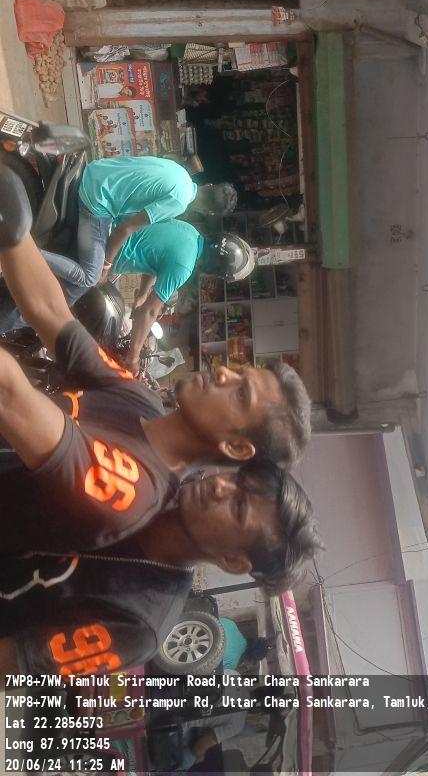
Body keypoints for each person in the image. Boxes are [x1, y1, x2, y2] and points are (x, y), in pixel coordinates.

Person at [0, 168, 312, 556]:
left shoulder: (135, 488)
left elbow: (10, 396)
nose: (222, 373)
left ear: (235, 446)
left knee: (85, 278)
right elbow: (50, 310)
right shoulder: (140, 401)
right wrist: (13, 231)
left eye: (240, 393)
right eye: (238, 372)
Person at [0, 461, 322, 678]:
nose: (220, 485)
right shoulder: (149, 470)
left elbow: (17, 660)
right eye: (237, 479)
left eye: (238, 506)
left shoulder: (140, 625)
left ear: (233, 561)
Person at [39, 154, 238, 305]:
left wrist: (143, 293)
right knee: (90, 277)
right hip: (97, 202)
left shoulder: (180, 172)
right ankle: (31, 253)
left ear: (209, 185)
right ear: (210, 213)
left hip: (95, 171)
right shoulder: (180, 203)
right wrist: (106, 266)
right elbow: (125, 229)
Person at [112, 221, 254, 374]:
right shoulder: (184, 267)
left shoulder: (190, 231)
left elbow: (157, 264)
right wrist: (133, 358)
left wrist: (142, 295)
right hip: (107, 254)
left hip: (112, 231)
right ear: (217, 269)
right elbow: (150, 311)